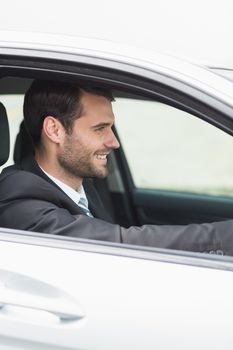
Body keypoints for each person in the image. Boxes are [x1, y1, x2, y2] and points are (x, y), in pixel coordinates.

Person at [0, 80, 232, 255]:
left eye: (111, 128)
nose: (114, 142)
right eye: (100, 128)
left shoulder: (81, 185)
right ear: (54, 130)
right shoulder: (19, 198)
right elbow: (117, 243)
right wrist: (224, 237)